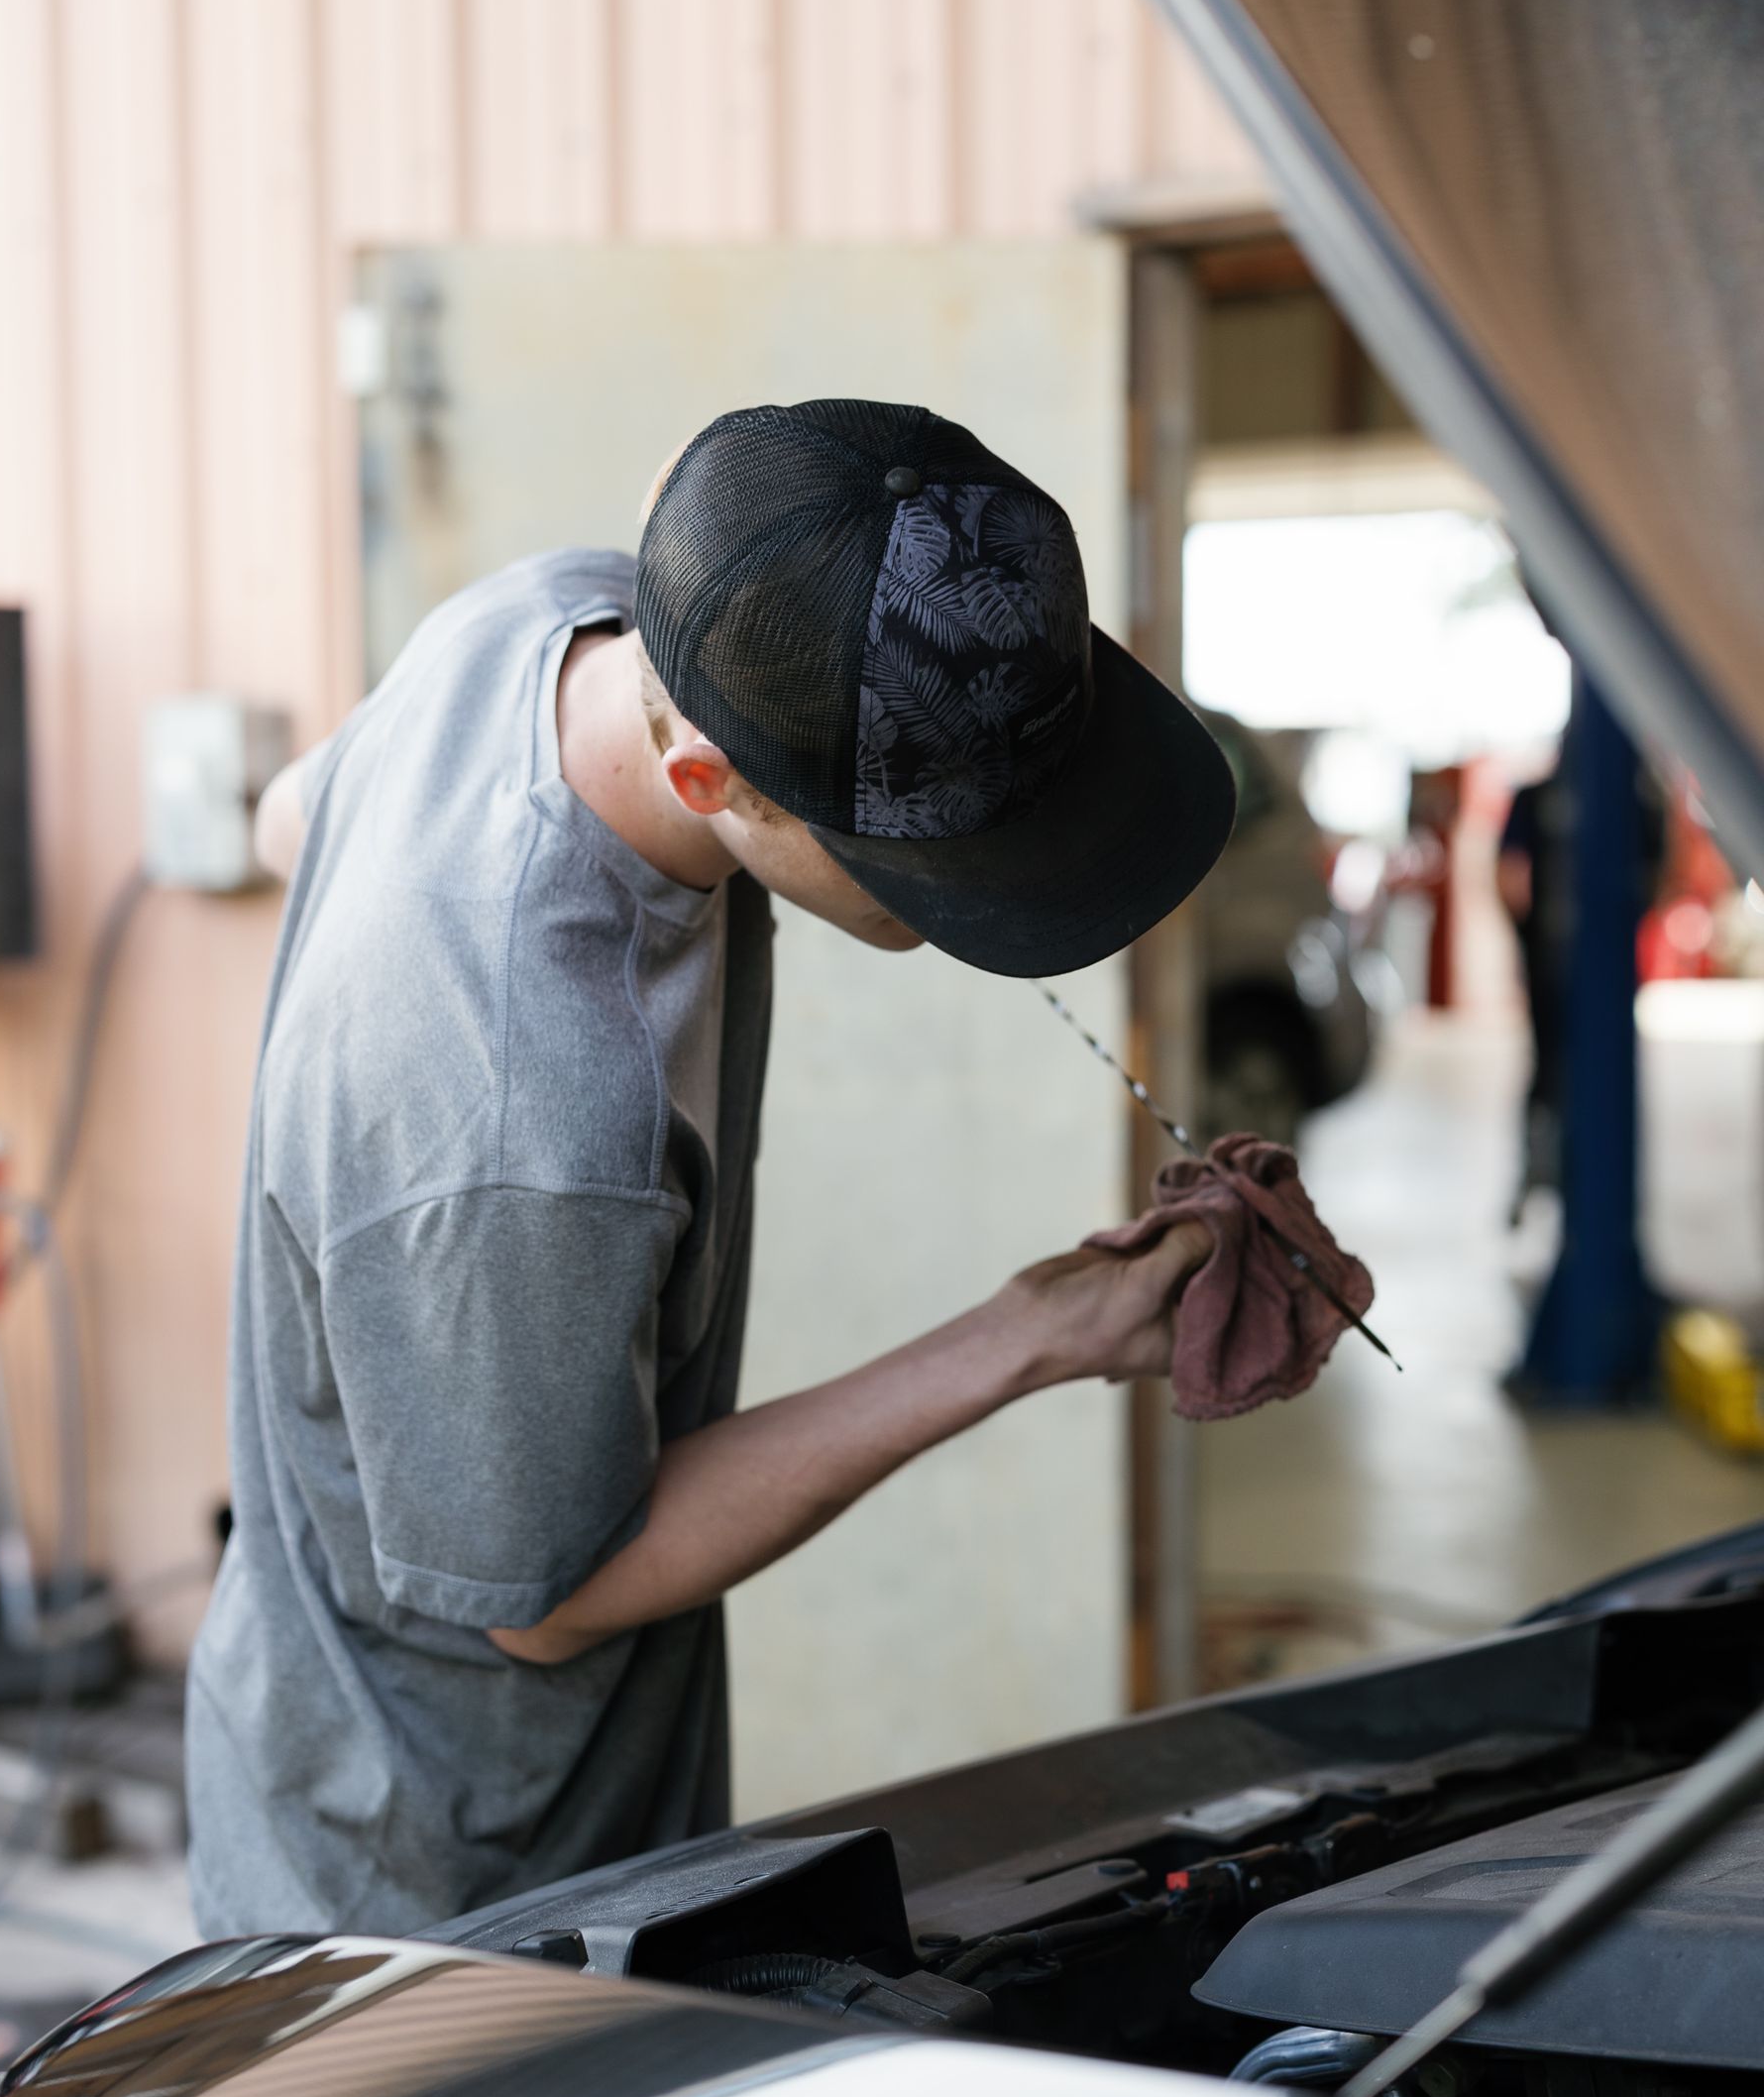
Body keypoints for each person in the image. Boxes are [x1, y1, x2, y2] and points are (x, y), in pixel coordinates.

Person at [184, 399, 1236, 1936]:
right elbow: (546, 1607)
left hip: (525, 1794)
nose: (961, 900)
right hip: (439, 1895)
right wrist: (1032, 1334)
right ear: (706, 784)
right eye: (928, 869)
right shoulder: (517, 1124)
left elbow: (298, 814)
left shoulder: (564, 620)